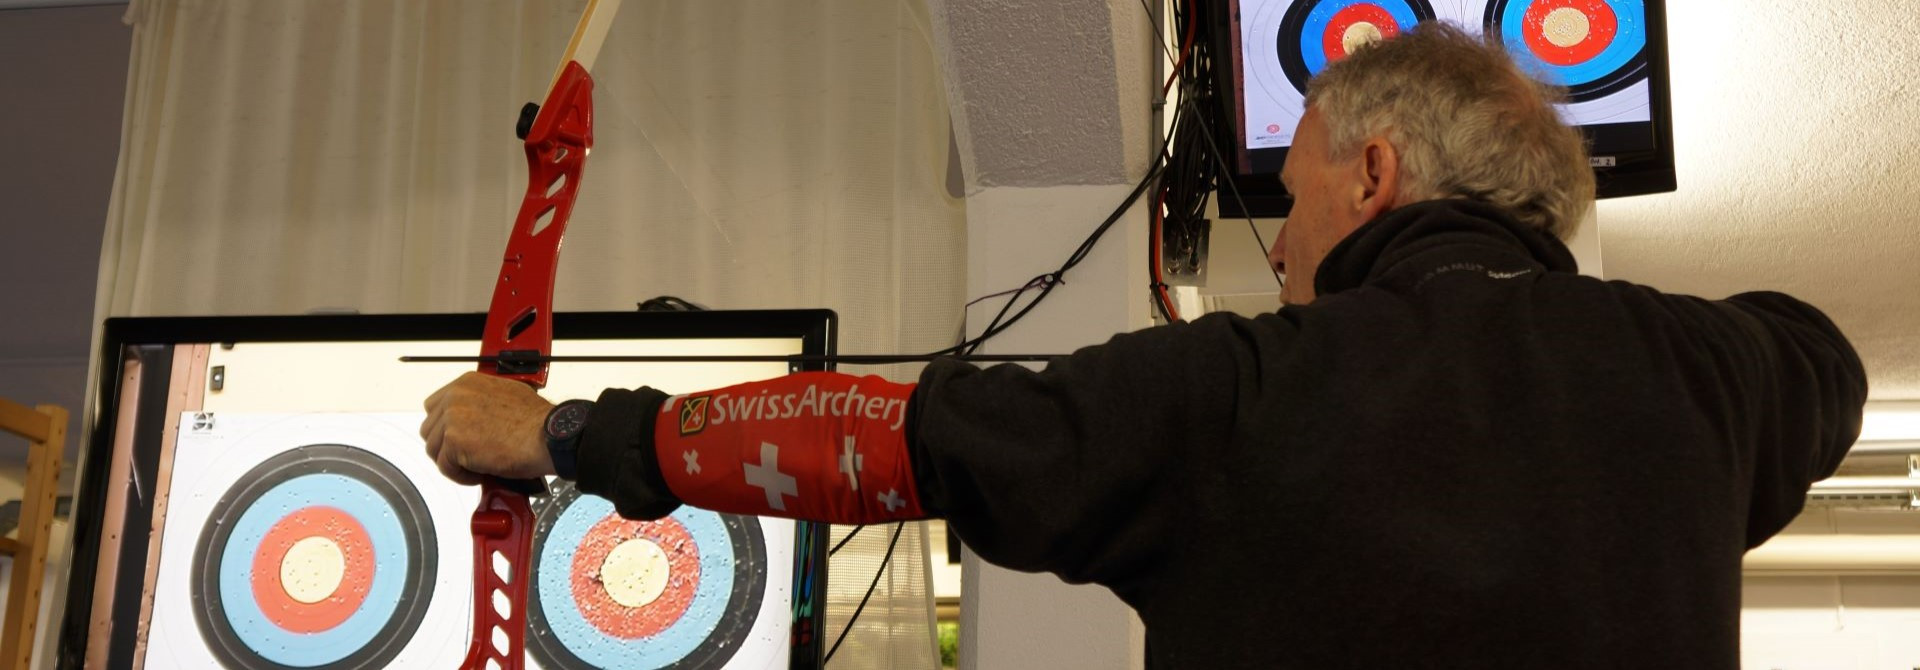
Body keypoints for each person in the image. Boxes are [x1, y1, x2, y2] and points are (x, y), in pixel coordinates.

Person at [422, 22, 1866, 668]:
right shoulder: (1721, 373)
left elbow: (891, 439)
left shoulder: (1235, 393)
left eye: (1294, 193)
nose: (1282, 247)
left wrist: (561, 434)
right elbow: (1830, 367)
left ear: (1374, 177)